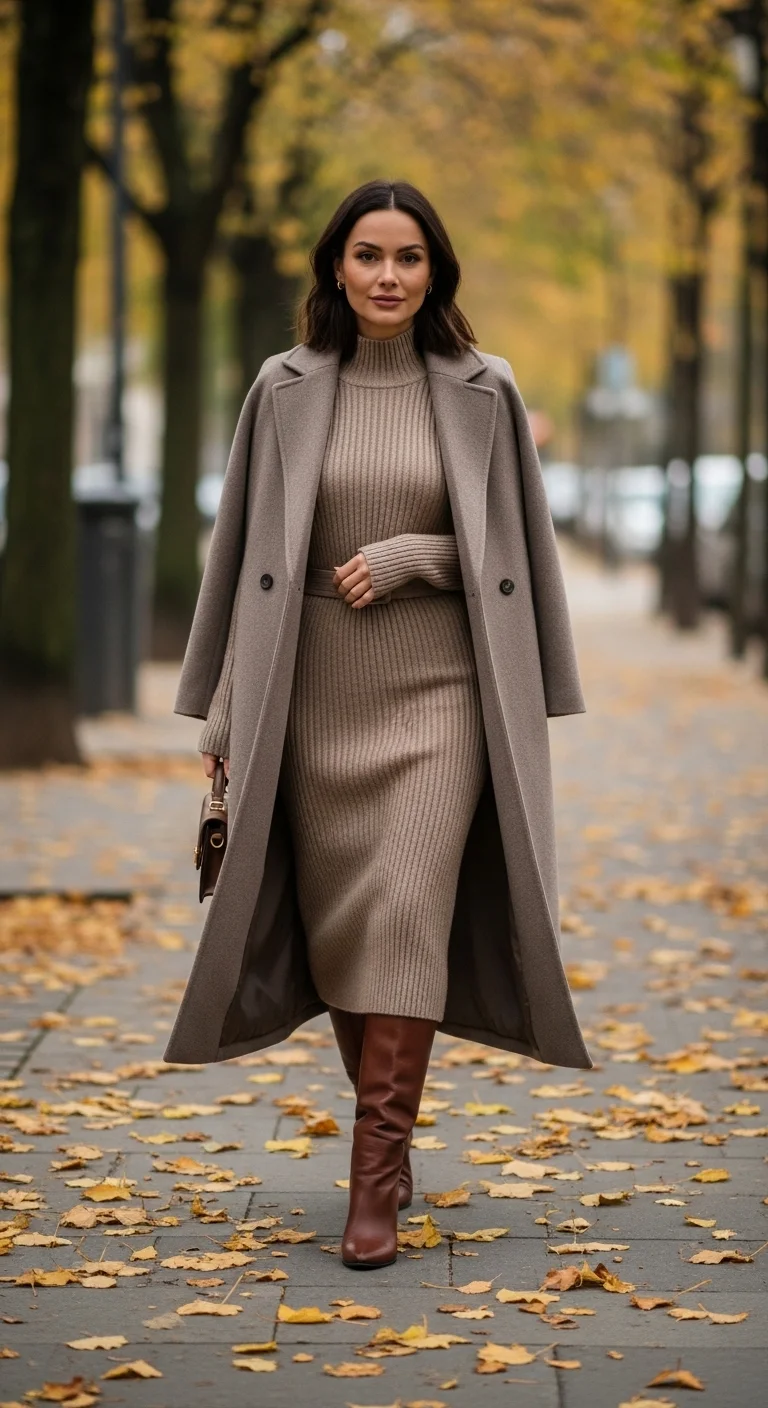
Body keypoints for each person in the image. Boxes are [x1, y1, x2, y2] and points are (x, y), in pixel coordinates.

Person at [166, 179, 590, 1271]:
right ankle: (389, 1149)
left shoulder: (484, 388)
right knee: (345, 930)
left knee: (405, 907)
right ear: (337, 268)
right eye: (368, 256)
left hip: (442, 693)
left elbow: (518, 550)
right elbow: (242, 552)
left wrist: (418, 557)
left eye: (408, 257)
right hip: (311, 695)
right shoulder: (285, 385)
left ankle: (373, 1178)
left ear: (435, 271)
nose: (389, 276)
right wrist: (220, 704)